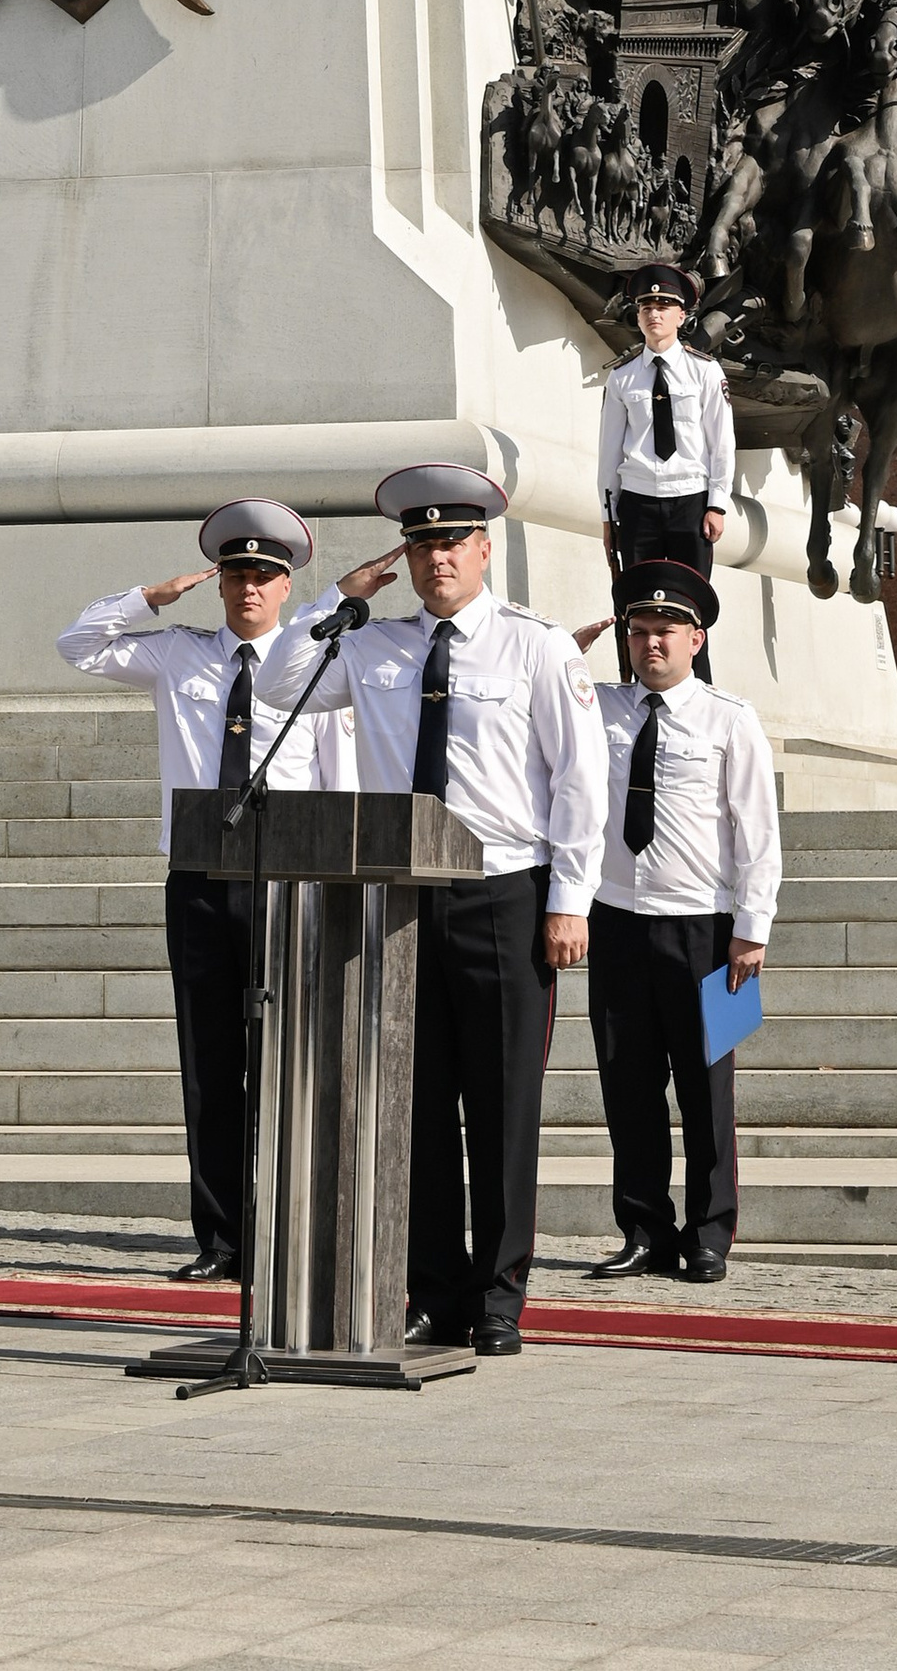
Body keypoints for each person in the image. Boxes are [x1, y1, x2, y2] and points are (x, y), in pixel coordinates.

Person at [265, 463, 605, 1356]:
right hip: (401, 896)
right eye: (421, 545)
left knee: (500, 1106)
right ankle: (433, 1287)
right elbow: (278, 682)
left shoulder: (536, 646)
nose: (437, 558)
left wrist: (568, 901)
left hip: (504, 894)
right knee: (416, 1108)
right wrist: (338, 597)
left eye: (452, 541)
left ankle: (499, 1294)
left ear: (486, 549)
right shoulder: (373, 646)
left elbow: (578, 782)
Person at [56, 500, 341, 1287]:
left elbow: (335, 777)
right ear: (221, 584)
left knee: (291, 1061)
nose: (251, 587)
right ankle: (220, 1235)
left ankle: (292, 1226)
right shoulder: (179, 653)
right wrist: (148, 597)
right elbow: (77, 644)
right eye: (239, 573)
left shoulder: (317, 661)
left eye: (267, 575)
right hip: (199, 877)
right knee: (209, 1062)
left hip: (290, 878)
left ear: (289, 587)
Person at [570, 556, 779, 1286]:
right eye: (638, 630)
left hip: (709, 930)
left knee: (708, 1087)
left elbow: (757, 829)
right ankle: (644, 1229)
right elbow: (530, 698)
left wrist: (752, 928)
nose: (650, 643)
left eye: (665, 630)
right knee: (628, 1087)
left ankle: (711, 1233)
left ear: (696, 636)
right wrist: (572, 648)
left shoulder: (732, 719)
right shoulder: (596, 708)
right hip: (618, 920)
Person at [600, 260, 732, 683]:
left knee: (691, 601)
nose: (653, 314)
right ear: (637, 316)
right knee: (639, 600)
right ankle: (641, 685)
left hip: (690, 502)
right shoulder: (622, 378)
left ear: (681, 315)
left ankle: (700, 686)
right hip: (638, 504)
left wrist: (717, 504)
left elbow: (721, 442)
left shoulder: (705, 371)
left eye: (663, 306)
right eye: (645, 307)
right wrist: (609, 516)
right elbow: (608, 452)